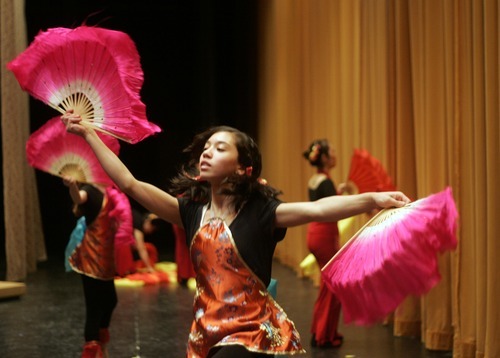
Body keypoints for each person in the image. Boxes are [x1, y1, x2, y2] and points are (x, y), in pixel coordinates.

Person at [62, 111, 411, 357]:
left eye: (220, 147)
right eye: (206, 147)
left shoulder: (263, 215)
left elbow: (319, 209)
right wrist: (89, 133)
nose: (207, 152)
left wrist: (374, 198)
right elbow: (128, 183)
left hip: (251, 332)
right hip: (206, 332)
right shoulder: (190, 212)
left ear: (243, 168)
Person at [63, 176, 135, 358]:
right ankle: (92, 347)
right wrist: (72, 186)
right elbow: (79, 198)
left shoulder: (112, 191)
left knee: (111, 300)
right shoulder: (90, 190)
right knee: (94, 306)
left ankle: (100, 342)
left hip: (106, 259)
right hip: (91, 257)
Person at [302, 139, 347, 348]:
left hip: (315, 233)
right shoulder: (326, 182)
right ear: (326, 158)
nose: (336, 154)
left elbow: (325, 204)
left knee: (327, 286)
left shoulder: (315, 180)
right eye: (333, 152)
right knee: (333, 287)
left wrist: (338, 191)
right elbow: (333, 209)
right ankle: (323, 336)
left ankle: (319, 332)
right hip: (324, 236)